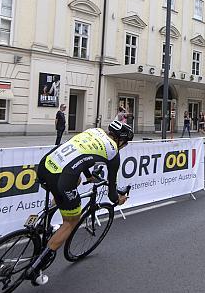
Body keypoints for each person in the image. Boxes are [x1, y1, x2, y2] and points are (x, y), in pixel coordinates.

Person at [28, 120, 133, 284]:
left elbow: (81, 154)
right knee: (71, 221)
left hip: (45, 165)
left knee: (74, 181)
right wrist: (119, 200)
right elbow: (112, 193)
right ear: (121, 141)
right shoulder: (113, 153)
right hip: (62, 178)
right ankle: (36, 267)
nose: (124, 146)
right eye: (125, 144)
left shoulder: (95, 131)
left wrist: (89, 175)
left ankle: (46, 217)